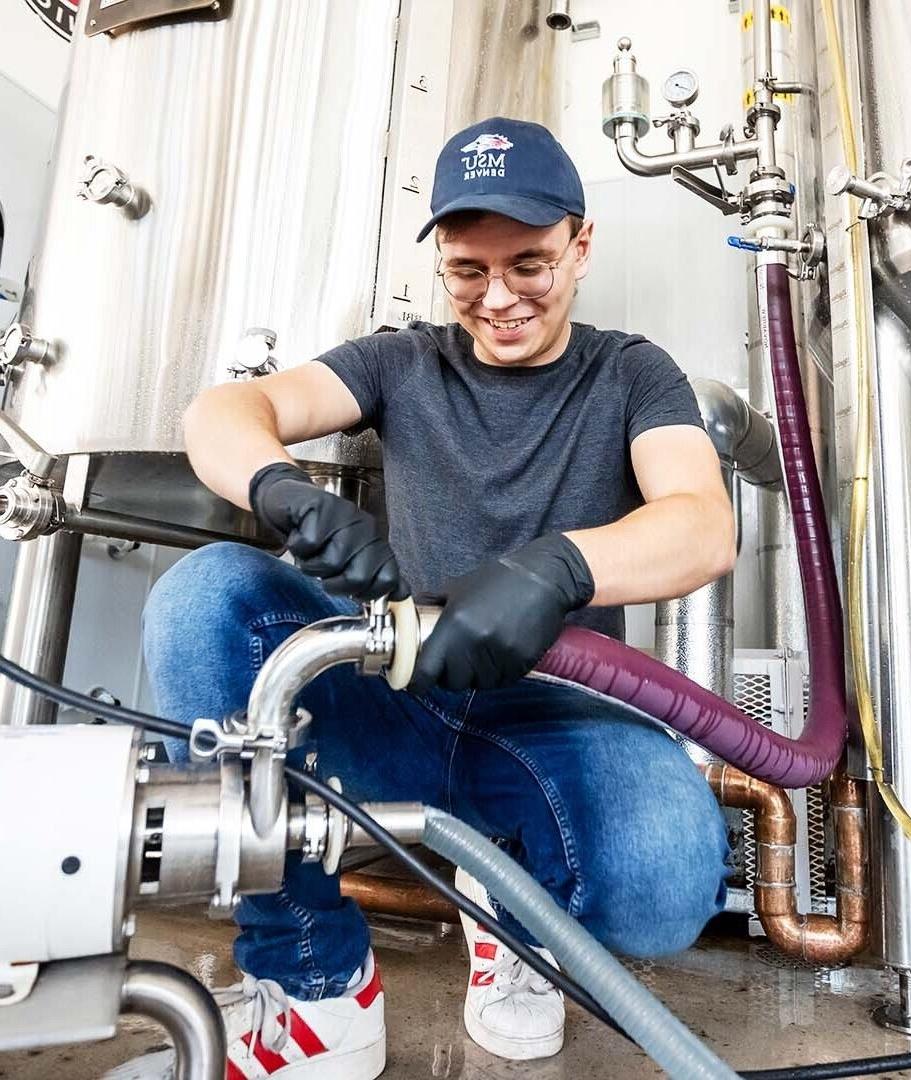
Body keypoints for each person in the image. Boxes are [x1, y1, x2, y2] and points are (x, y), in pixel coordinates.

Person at [134, 117, 734, 1079]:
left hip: (552, 712)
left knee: (664, 889)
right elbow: (223, 412)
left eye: (529, 264)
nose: (496, 298)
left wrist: (558, 570)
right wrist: (281, 489)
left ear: (581, 247)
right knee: (204, 596)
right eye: (466, 270)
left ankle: (512, 912)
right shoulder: (400, 360)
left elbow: (703, 523)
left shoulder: (631, 373)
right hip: (396, 689)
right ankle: (317, 981)